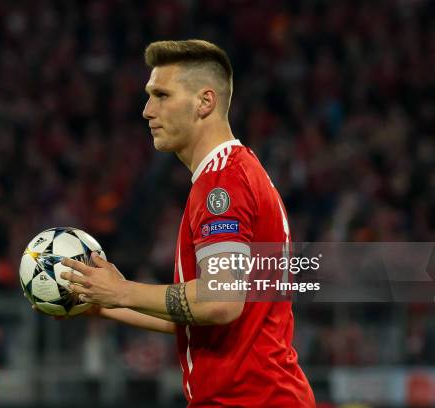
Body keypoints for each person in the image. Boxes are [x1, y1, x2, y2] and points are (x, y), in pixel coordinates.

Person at [51, 39, 315, 407]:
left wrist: (123, 291)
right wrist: (105, 304)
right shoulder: (231, 173)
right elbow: (201, 319)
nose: (146, 110)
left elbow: (220, 301)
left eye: (161, 95)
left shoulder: (223, 182)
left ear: (204, 102)